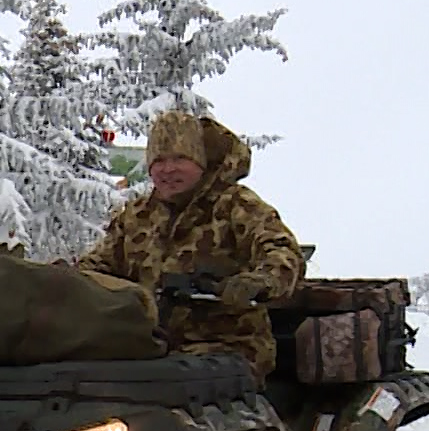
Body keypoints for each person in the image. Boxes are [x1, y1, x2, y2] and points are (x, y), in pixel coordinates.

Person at [75, 111, 305, 380]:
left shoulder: (235, 205)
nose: (168, 169)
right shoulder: (137, 216)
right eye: (159, 160)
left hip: (227, 351)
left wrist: (259, 281)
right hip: (148, 350)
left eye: (180, 158)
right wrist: (63, 280)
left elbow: (282, 251)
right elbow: (99, 266)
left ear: (202, 163)